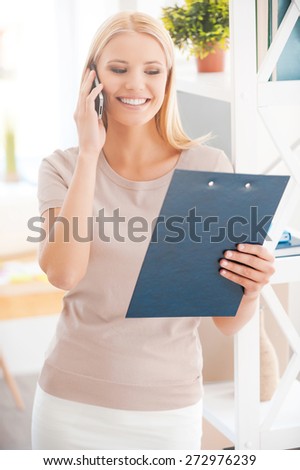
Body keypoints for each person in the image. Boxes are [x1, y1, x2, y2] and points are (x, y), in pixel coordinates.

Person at [31, 11, 275, 450]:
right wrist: (90, 153)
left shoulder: (208, 169)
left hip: (169, 410)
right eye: (118, 69)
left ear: (168, 79)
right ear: (93, 79)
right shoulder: (63, 167)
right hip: (69, 404)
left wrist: (251, 288)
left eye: (152, 71)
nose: (135, 85)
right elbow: (63, 274)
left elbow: (226, 322)